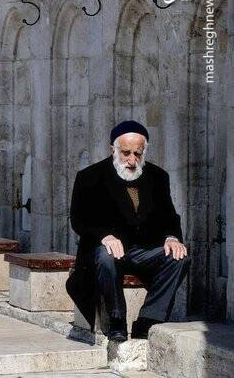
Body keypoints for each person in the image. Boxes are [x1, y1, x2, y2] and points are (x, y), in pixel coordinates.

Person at [66, 120, 189, 342]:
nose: (132, 160)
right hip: (105, 251)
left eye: (137, 154)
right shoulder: (90, 176)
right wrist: (104, 236)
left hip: (143, 251)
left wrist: (172, 238)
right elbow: (79, 220)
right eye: (126, 153)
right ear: (113, 150)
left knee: (179, 257)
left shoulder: (158, 176)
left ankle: (148, 320)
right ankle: (116, 320)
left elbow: (169, 216)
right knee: (106, 256)